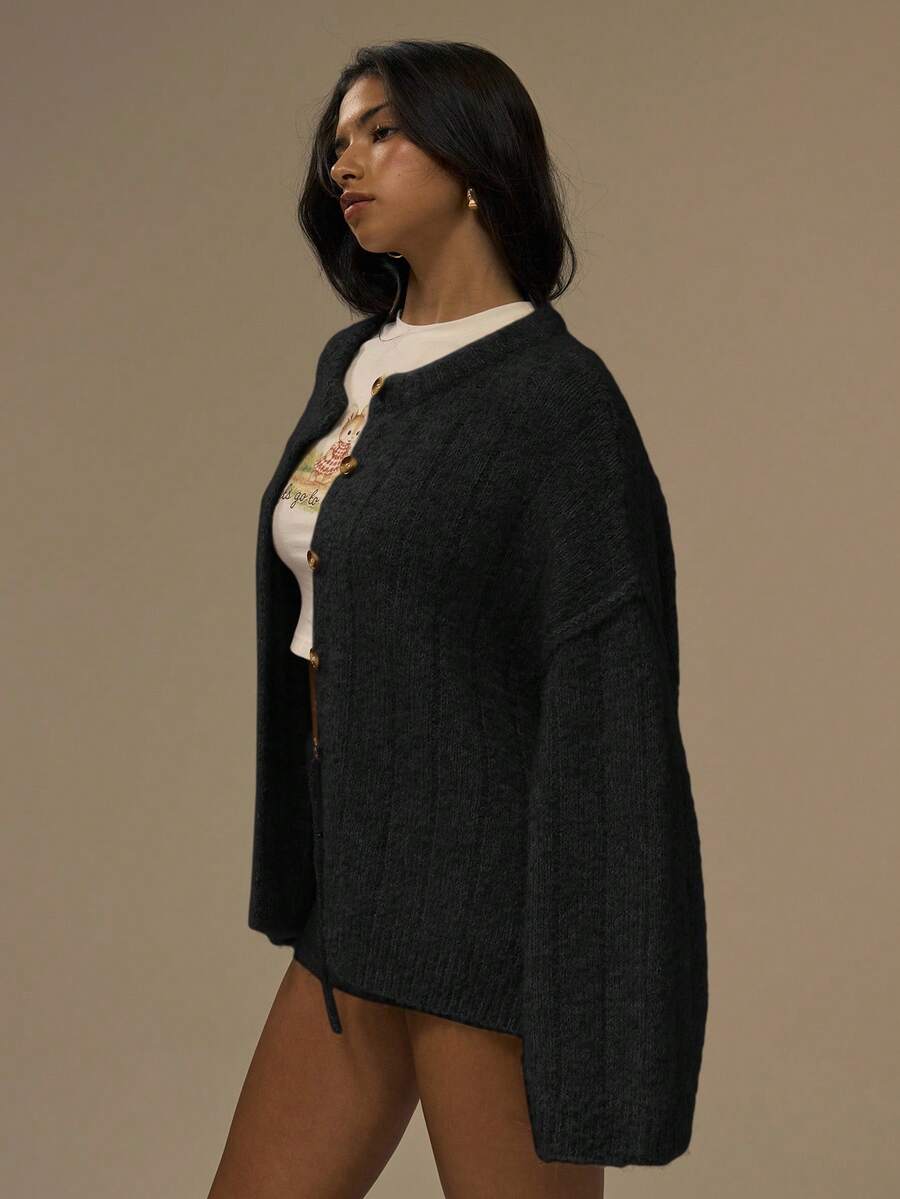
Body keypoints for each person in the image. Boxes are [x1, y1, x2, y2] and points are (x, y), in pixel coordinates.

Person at [209, 38, 707, 1199]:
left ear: (476, 160)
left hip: (487, 921)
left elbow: (616, 711)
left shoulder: (557, 405)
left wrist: (601, 977)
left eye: (382, 131)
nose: (346, 162)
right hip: (355, 901)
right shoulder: (353, 365)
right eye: (339, 141)